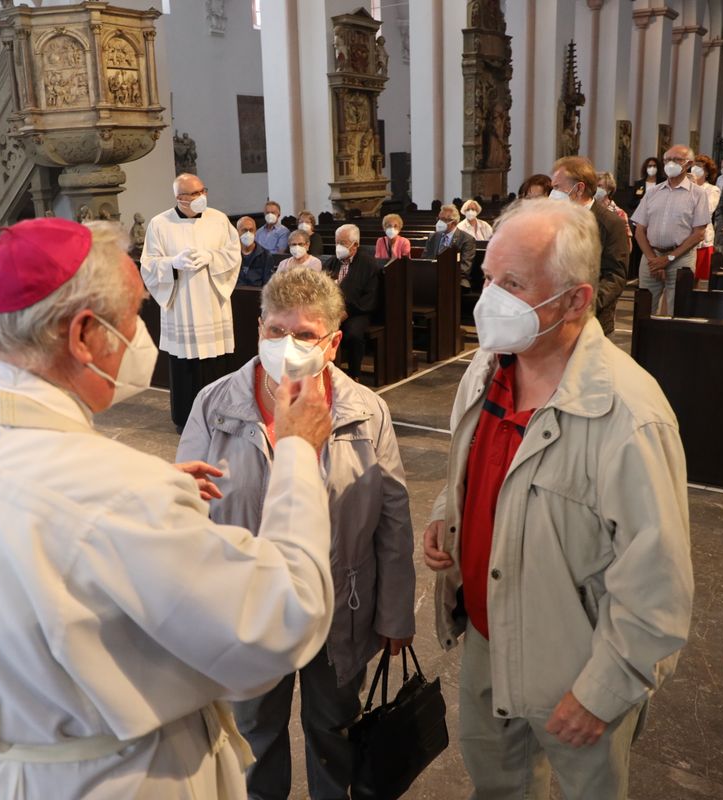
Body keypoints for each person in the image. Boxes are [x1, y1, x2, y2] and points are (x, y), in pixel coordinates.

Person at [0, 218, 337, 800]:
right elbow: (280, 621)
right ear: (83, 335)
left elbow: (23, 527)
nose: (141, 336)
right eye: (134, 316)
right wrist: (296, 450)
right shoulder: (111, 492)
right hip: (103, 780)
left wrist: (144, 498)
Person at [421, 199, 693, 800]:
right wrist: (448, 515)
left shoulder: (628, 415)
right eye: (488, 278)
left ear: (575, 300)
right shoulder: (489, 368)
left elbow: (658, 583)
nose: (488, 299)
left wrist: (603, 692)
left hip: (573, 660)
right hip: (487, 636)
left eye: (513, 284)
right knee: (497, 787)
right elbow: (472, 464)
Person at [178, 268, 415, 800]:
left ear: (333, 342)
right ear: (258, 329)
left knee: (334, 729)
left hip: (339, 603)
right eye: (276, 330)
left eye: (305, 334)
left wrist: (396, 613)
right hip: (245, 607)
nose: (288, 344)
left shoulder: (364, 410)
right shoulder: (216, 405)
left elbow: (393, 517)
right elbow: (187, 512)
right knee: (252, 733)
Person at [141, 173, 242, 432]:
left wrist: (211, 257)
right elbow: (148, 264)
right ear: (180, 198)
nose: (201, 197)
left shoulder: (219, 219)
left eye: (202, 191)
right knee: (185, 364)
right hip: (182, 306)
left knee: (215, 362)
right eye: (195, 194)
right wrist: (172, 263)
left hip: (212, 303)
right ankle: (186, 419)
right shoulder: (159, 224)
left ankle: (218, 417)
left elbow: (233, 253)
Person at [550, 157, 629, 337]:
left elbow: (614, 276)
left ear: (579, 188)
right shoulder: (553, 218)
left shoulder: (610, 223)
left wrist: (584, 305)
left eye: (557, 187)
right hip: (554, 316)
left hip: (591, 319)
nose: (552, 194)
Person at [630, 145, 710, 315]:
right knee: (644, 308)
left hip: (681, 257)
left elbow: (698, 234)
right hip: (652, 256)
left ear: (689, 164)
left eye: (676, 160)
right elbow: (639, 230)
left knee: (678, 309)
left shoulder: (698, 194)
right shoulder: (653, 192)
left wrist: (668, 258)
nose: (670, 164)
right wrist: (654, 260)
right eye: (667, 160)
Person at [326, 224, 381, 380]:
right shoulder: (332, 262)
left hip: (358, 311)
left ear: (355, 245)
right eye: (337, 242)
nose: (338, 247)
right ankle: (326, 372)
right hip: (333, 310)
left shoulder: (368, 264)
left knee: (353, 334)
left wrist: (347, 312)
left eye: (343, 243)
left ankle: (354, 374)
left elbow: (370, 297)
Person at [424, 204, 478, 289]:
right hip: (433, 277)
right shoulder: (433, 237)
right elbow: (425, 259)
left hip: (457, 279)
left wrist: (443, 275)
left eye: (444, 219)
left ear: (454, 222)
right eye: (439, 219)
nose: (440, 222)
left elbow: (464, 267)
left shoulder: (467, 239)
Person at [690, 154, 722, 281]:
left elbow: (706, 211)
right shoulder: (686, 187)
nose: (695, 169)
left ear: (707, 172)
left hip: (701, 237)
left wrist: (695, 188)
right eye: (694, 166)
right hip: (684, 236)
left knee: (697, 276)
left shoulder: (712, 190)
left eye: (699, 166)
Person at [595, 171, 631, 246]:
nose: (596, 189)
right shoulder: (587, 208)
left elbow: (627, 245)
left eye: (599, 186)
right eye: (594, 186)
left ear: (609, 190)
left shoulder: (619, 213)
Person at [236, 215, 274, 287]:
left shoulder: (266, 255)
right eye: (244, 230)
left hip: (258, 293)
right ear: (237, 232)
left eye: (251, 230)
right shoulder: (231, 254)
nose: (248, 234)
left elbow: (268, 285)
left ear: (255, 232)